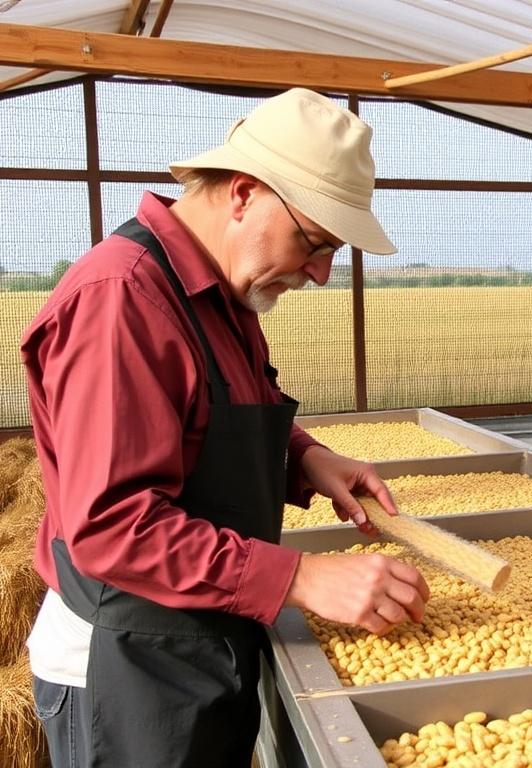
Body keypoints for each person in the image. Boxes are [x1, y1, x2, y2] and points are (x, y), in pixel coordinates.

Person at [21, 87, 430, 767]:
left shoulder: (221, 297)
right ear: (243, 193)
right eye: (314, 242)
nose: (323, 274)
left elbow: (215, 415)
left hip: (196, 644)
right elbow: (112, 526)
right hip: (126, 668)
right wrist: (301, 579)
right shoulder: (122, 303)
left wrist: (305, 459)